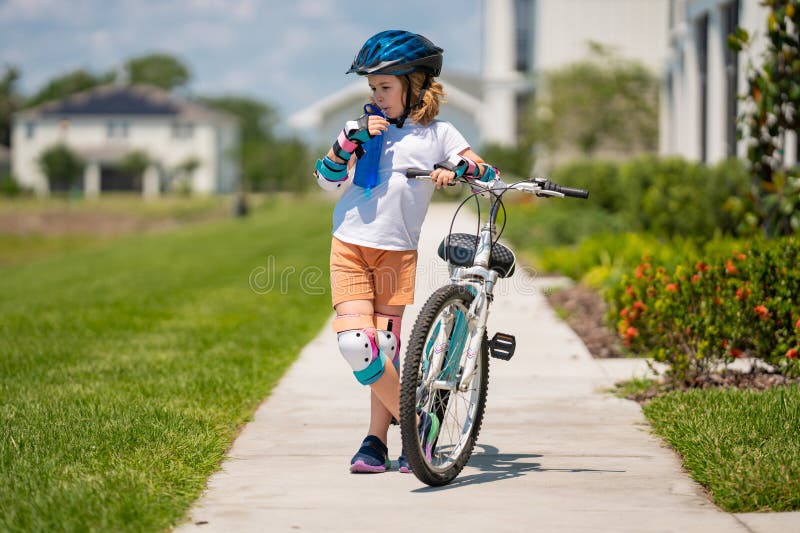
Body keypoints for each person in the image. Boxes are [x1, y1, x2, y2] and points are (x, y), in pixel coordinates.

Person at [313, 30, 501, 474]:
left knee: (388, 348)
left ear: (414, 85)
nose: (376, 97)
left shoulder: (439, 133)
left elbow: (487, 173)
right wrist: (347, 144)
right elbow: (326, 181)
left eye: (385, 87)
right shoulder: (360, 129)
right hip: (350, 245)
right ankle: (417, 422)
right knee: (357, 345)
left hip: (397, 252)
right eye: (372, 88)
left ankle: (375, 441)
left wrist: (455, 168)